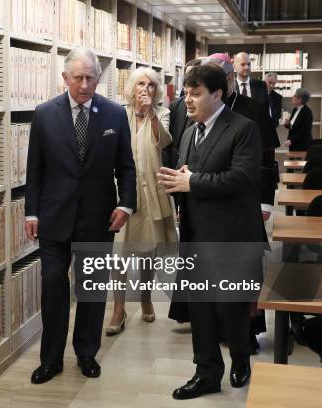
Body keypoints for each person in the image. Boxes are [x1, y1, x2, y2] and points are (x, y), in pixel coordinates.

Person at [24, 47, 137, 384]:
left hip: (99, 217)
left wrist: (126, 204)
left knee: (91, 289)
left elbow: (127, 168)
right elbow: (35, 171)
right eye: (78, 78)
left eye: (91, 78)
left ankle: (87, 353)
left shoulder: (115, 115)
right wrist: (31, 212)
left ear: (98, 78)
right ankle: (51, 359)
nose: (85, 85)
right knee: (53, 288)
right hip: (53, 217)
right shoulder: (44, 115)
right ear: (65, 78)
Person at [158, 64, 264, 399]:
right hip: (195, 236)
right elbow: (188, 174)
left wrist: (191, 181)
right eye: (186, 92)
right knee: (200, 310)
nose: (187, 99)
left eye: (196, 93)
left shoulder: (243, 128)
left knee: (230, 308)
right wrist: (176, 182)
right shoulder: (190, 131)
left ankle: (240, 358)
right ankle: (206, 373)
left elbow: (242, 178)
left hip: (231, 236)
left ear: (217, 95)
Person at [105, 67, 177, 336]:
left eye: (151, 85)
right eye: (140, 84)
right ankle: (118, 308)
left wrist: (150, 114)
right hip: (123, 194)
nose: (145, 89)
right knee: (119, 256)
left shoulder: (162, 113)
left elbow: (164, 142)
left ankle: (146, 298)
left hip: (151, 192)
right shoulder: (118, 114)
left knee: (148, 252)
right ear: (132, 88)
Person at [234, 52, 281, 151]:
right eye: (243, 64)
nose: (247, 67)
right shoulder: (229, 88)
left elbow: (267, 111)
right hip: (236, 139)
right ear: (234, 66)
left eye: (249, 64)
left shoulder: (261, 86)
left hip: (258, 139)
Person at [163, 58, 202, 169]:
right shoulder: (175, 105)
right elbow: (168, 142)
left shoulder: (205, 107)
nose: (190, 78)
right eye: (188, 75)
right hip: (174, 166)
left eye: (195, 74)